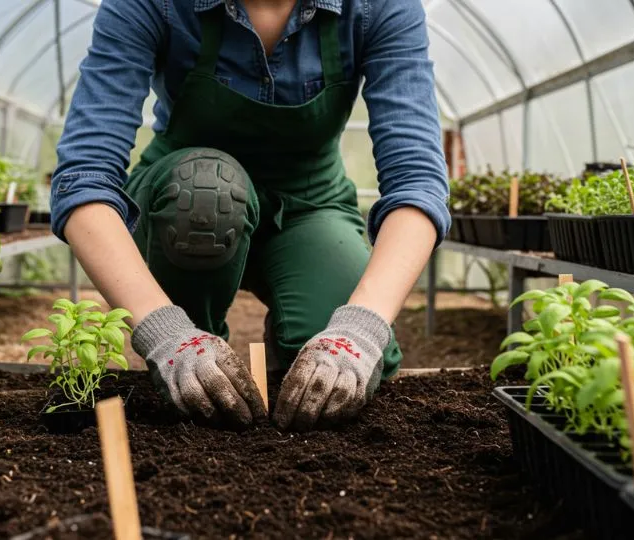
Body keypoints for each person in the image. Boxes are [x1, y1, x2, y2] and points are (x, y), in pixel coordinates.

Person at [50, 0, 450, 431]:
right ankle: (194, 378)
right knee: (206, 190)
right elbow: (84, 178)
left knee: (337, 371)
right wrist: (164, 332)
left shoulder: (378, 7)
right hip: (187, 201)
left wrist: (361, 328)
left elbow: (416, 181)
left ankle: (284, 364)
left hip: (310, 203)